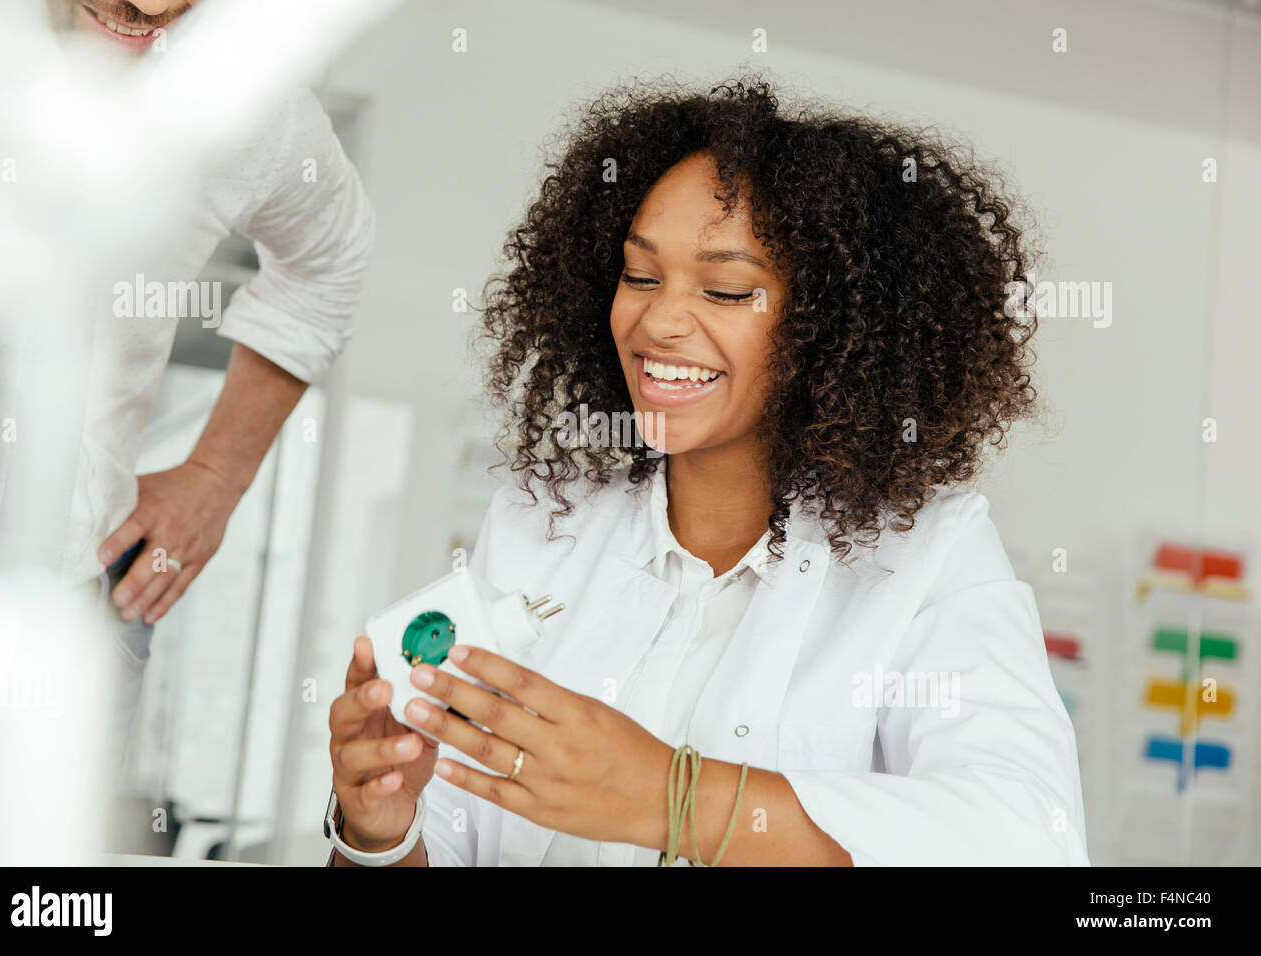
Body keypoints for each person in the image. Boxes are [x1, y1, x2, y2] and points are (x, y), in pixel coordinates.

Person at [324, 77, 1088, 866]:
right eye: (640, 275)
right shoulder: (540, 520)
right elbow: (452, 835)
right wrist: (381, 829)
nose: (657, 321)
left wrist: (665, 796)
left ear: (828, 328)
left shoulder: (928, 552)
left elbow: (1028, 839)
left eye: (725, 290)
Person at [0, 0, 377, 762]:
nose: (152, 7)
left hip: (79, 610)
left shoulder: (252, 107)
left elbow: (331, 261)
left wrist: (217, 474)